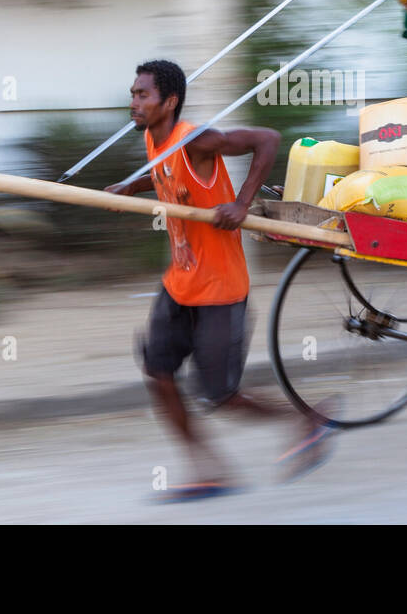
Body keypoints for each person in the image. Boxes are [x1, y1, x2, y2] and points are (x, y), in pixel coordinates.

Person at [104, 59, 335, 501]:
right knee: (158, 373)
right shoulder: (154, 139)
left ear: (168, 102)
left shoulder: (196, 141)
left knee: (220, 396)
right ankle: (208, 469)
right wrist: (129, 188)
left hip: (220, 290)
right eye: (133, 93)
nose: (133, 102)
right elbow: (165, 178)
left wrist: (242, 203)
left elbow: (267, 140)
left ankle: (307, 419)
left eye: (142, 95)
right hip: (179, 284)